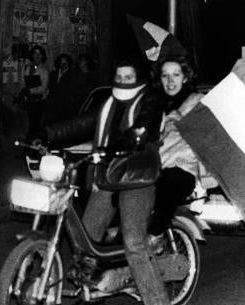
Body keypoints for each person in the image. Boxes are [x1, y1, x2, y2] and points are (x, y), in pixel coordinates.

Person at [40, 57, 169, 305]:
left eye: (128, 77)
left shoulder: (151, 100)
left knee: (134, 244)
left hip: (137, 178)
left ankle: (158, 300)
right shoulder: (108, 102)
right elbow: (81, 124)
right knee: (85, 240)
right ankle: (91, 294)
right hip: (106, 177)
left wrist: (128, 140)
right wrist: (46, 134)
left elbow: (143, 126)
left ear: (139, 78)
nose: (122, 81)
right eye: (118, 77)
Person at [148, 56, 214, 247]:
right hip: (155, 165)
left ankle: (156, 234)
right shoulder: (154, 104)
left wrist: (176, 121)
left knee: (169, 183)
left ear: (185, 77)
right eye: (165, 76)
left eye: (176, 75)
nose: (170, 81)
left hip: (184, 168)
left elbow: (204, 132)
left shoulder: (198, 102)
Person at [22, 45, 49, 138]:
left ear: (42, 56)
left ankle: (35, 146)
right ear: (32, 55)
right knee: (30, 125)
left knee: (35, 127)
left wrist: (30, 91)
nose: (37, 56)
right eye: (35, 53)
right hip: (29, 102)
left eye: (39, 54)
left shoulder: (44, 70)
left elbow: (43, 88)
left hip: (38, 103)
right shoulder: (28, 68)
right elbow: (24, 82)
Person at [45, 53, 73, 124]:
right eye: (61, 62)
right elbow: (49, 87)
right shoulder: (53, 73)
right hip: (52, 105)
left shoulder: (72, 74)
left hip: (64, 106)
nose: (63, 64)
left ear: (68, 63)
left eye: (65, 62)